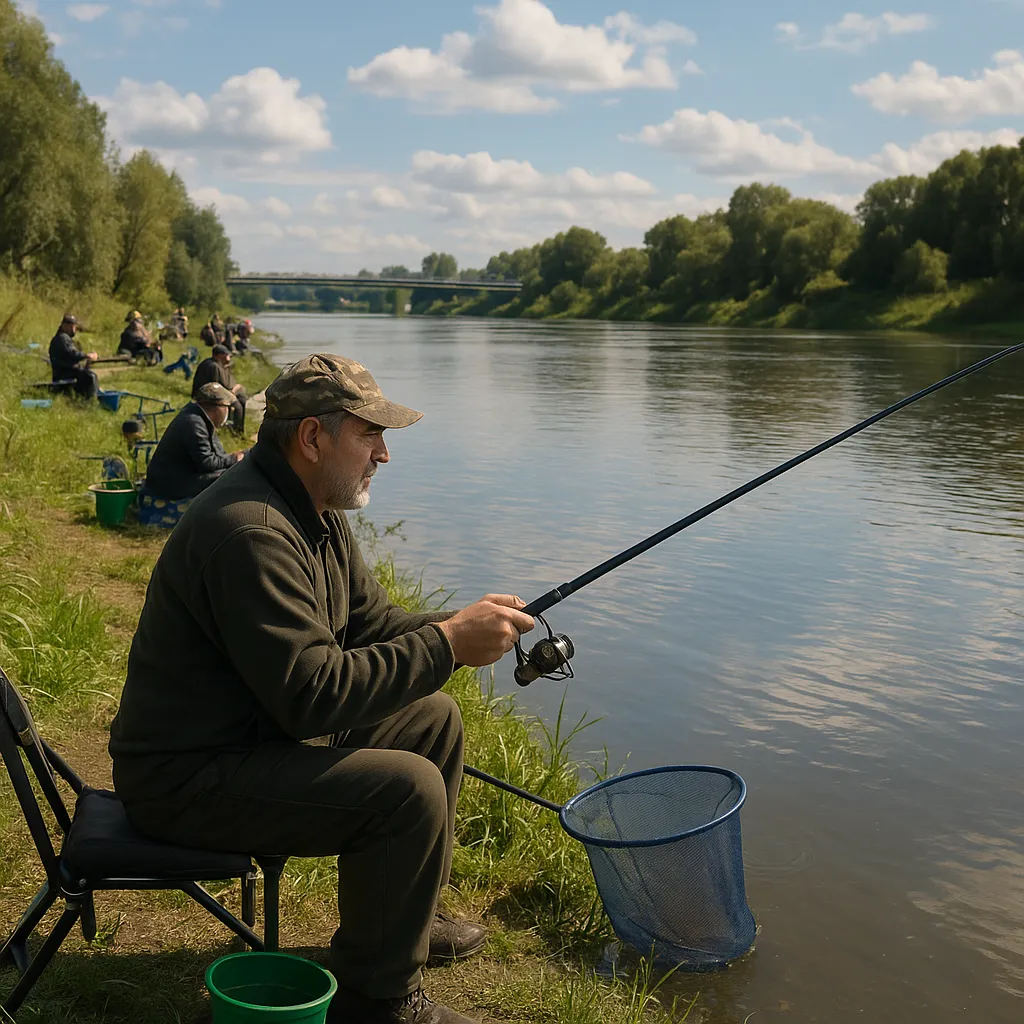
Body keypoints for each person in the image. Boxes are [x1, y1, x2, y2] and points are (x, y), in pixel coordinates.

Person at [108, 354, 535, 1024]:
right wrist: (450, 645)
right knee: (407, 792)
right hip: (184, 777)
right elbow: (313, 695)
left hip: (250, 736)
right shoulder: (250, 529)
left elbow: (373, 624)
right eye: (370, 435)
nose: (385, 454)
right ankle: (380, 1000)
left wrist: (459, 626)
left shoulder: (314, 509)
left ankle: (404, 927)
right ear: (312, 438)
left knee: (433, 720)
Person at [142, 382, 243, 500]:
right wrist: (234, 459)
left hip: (178, 475)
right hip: (168, 484)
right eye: (227, 407)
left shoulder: (200, 418)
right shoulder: (194, 423)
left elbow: (217, 454)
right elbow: (206, 463)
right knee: (229, 477)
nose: (228, 411)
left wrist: (238, 457)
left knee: (232, 471)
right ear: (218, 407)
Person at [192, 344, 246, 433]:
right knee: (238, 407)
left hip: (213, 391)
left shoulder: (216, 364)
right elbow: (219, 387)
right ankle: (236, 432)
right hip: (207, 394)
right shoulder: (213, 366)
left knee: (242, 398)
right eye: (226, 355)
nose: (228, 358)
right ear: (219, 355)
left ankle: (237, 429)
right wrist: (233, 391)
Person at [48, 314, 98, 399]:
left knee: (86, 373)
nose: (74, 329)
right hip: (64, 373)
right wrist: (87, 355)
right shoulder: (62, 338)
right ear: (65, 326)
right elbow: (72, 353)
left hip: (65, 372)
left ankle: (85, 398)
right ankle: (90, 401)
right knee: (90, 376)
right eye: (72, 326)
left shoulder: (62, 338)